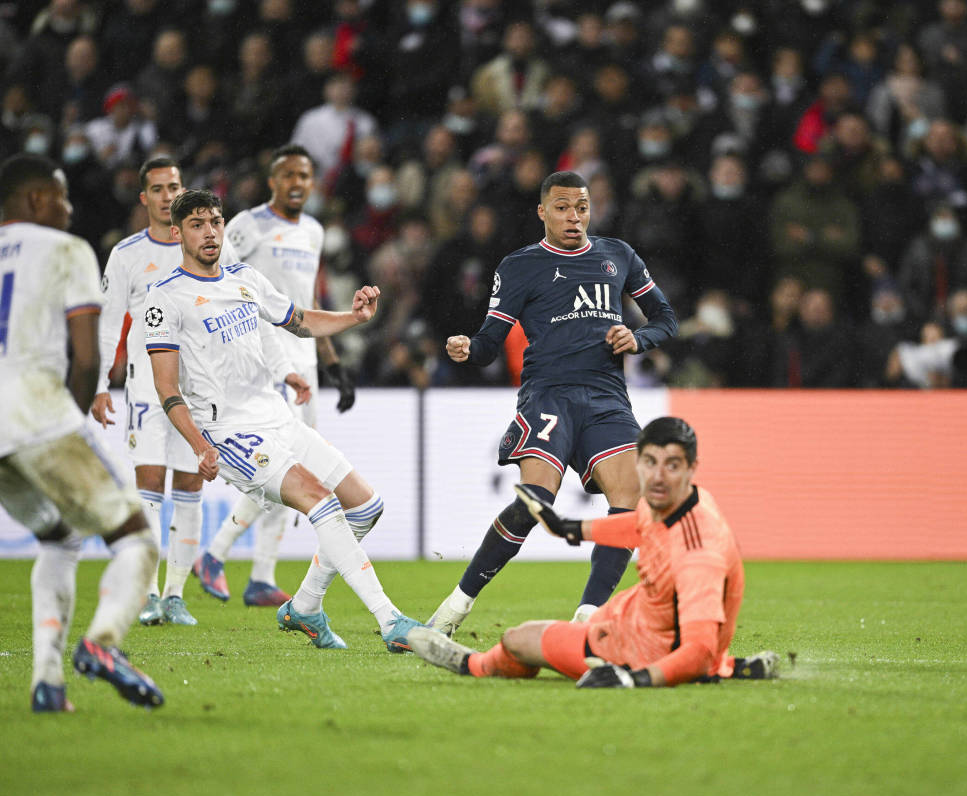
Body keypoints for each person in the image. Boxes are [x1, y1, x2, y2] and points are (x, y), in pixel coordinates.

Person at [144, 188, 421, 651]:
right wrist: (198, 445)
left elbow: (301, 321)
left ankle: (306, 606)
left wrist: (354, 318)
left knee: (367, 506)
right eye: (197, 224)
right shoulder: (166, 298)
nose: (209, 231)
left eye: (214, 221)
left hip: (278, 417)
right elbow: (167, 388)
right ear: (177, 233)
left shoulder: (244, 278)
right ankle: (390, 621)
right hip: (230, 433)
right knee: (321, 501)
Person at [427, 170, 678, 636]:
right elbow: (489, 342)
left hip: (606, 397)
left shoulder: (617, 255)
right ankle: (454, 607)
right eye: (562, 208)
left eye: (581, 207)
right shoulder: (520, 265)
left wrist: (637, 338)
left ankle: (588, 618)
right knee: (534, 502)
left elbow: (665, 318)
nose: (573, 217)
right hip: (548, 395)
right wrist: (468, 349)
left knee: (631, 500)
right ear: (542, 212)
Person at [408, 417, 777, 687]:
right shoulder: (681, 500)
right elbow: (636, 524)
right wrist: (571, 528)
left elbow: (697, 648)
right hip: (637, 616)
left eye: (673, 465)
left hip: (638, 649)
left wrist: (634, 680)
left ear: (692, 468)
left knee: (519, 639)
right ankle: (727, 666)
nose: (659, 476)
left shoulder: (699, 552)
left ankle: (471, 664)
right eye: (650, 463)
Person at [0, 153, 162, 711]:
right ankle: (102, 644)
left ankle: (47, 683)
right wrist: (70, 421)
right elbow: (87, 356)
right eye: (63, 198)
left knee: (60, 535)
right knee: (137, 539)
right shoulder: (66, 249)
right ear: (38, 200)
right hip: (36, 414)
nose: (70, 210)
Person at [192, 144, 357, 608]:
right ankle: (216, 552)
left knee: (295, 467)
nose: (298, 183)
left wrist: (334, 364)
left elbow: (307, 303)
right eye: (289, 175)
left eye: (305, 175)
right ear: (273, 181)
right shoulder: (247, 225)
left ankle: (261, 575)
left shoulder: (314, 231)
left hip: (304, 358)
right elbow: (216, 277)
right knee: (282, 463)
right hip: (263, 357)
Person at [92, 155, 235, 627]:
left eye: (174, 186)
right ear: (144, 197)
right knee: (150, 483)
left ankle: (175, 594)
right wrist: (99, 384)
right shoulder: (127, 254)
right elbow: (109, 324)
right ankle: (150, 593)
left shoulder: (209, 245)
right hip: (146, 389)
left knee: (191, 483)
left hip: (198, 392)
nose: (167, 195)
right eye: (157, 188)